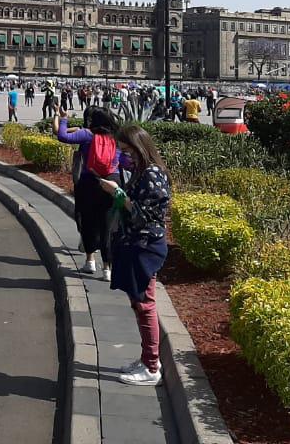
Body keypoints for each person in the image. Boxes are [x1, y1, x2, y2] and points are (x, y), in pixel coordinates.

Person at [100, 124, 172, 387]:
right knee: (139, 303)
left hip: (145, 245)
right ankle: (146, 359)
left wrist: (118, 194)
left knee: (145, 304)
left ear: (139, 149)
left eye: (126, 151)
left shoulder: (152, 175)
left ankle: (152, 365)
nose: (123, 157)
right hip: (135, 244)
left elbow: (144, 215)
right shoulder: (142, 172)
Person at [54, 107, 119, 278]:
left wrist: (64, 119)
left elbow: (62, 136)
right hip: (110, 183)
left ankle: (90, 261)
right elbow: (126, 160)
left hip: (88, 183)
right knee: (107, 227)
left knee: (88, 222)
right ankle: (107, 269)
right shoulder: (116, 138)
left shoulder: (87, 135)